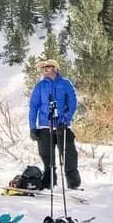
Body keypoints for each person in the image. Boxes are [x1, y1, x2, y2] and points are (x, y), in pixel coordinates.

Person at [29, 59, 81, 190]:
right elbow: (33, 107)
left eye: (48, 67)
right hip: (45, 126)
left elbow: (73, 103)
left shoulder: (65, 83)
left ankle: (73, 184)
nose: (45, 69)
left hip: (63, 126)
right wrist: (32, 128)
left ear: (55, 68)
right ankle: (49, 184)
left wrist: (66, 119)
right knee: (47, 157)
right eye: (43, 68)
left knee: (69, 155)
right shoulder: (40, 86)